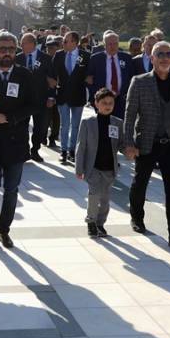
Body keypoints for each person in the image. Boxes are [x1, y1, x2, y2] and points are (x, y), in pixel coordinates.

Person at [123, 41, 170, 248]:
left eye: (168, 54)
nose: (164, 58)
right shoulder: (140, 81)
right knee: (140, 183)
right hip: (147, 141)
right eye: (160, 54)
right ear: (152, 58)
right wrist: (128, 143)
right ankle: (137, 217)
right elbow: (129, 114)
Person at [0, 31, 39, 249]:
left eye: (11, 49)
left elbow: (34, 105)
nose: (7, 53)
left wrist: (10, 118)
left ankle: (5, 231)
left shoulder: (26, 76)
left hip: (16, 142)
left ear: (16, 51)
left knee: (12, 190)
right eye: (2, 49)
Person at [75, 88, 123, 238]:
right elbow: (81, 146)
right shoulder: (88, 123)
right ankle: (91, 222)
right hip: (93, 167)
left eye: (110, 103)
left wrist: (130, 149)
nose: (107, 106)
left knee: (105, 199)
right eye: (104, 103)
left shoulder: (117, 123)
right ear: (96, 104)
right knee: (94, 195)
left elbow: (121, 144)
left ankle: (100, 223)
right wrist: (79, 167)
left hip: (109, 168)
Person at [50, 31, 88, 165]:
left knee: (76, 125)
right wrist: (51, 93)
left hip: (78, 96)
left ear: (74, 42)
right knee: (64, 125)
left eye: (66, 41)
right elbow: (52, 74)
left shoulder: (85, 55)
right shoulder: (59, 55)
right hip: (63, 95)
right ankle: (64, 151)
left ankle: (73, 150)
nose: (63, 43)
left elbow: (89, 75)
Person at [19, 32, 53, 162]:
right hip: (23, 100)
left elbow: (52, 78)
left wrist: (51, 97)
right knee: (22, 127)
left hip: (41, 98)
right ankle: (24, 151)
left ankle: (35, 150)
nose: (21, 45)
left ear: (32, 44)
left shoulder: (46, 58)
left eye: (23, 43)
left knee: (40, 127)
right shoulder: (18, 58)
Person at [86, 31, 132, 119]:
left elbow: (131, 78)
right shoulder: (96, 58)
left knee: (119, 127)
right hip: (102, 100)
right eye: (109, 44)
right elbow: (88, 79)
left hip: (121, 100)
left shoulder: (126, 58)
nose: (113, 46)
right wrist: (95, 97)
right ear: (104, 44)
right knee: (103, 127)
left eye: (115, 43)